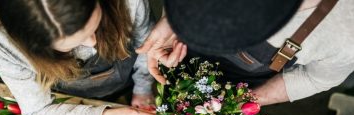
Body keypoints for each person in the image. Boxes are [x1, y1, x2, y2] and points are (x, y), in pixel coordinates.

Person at [0, 0, 165, 115]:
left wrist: (142, 88)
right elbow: (38, 111)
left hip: (128, 78)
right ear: (35, 46)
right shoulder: (0, 38)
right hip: (73, 97)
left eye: (95, 24)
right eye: (73, 44)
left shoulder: (127, 3)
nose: (93, 44)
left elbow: (146, 44)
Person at [136, 0, 354, 106]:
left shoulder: (346, 35)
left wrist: (243, 102)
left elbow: (315, 78)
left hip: (243, 78)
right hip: (186, 52)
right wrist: (175, 23)